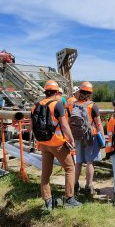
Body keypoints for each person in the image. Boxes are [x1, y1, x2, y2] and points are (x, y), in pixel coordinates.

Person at [31, 80, 81, 209]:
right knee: (70, 168)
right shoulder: (57, 105)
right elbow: (64, 125)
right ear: (57, 92)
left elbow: (33, 127)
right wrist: (71, 140)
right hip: (57, 143)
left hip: (43, 144)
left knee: (46, 173)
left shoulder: (35, 106)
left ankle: (48, 201)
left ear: (45, 92)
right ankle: (69, 199)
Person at [68, 81, 105, 197]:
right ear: (90, 93)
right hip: (91, 137)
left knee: (78, 161)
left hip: (77, 136)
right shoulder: (92, 106)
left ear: (80, 92)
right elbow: (98, 124)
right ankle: (89, 187)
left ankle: (74, 186)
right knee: (90, 162)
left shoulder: (73, 105)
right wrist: (103, 139)